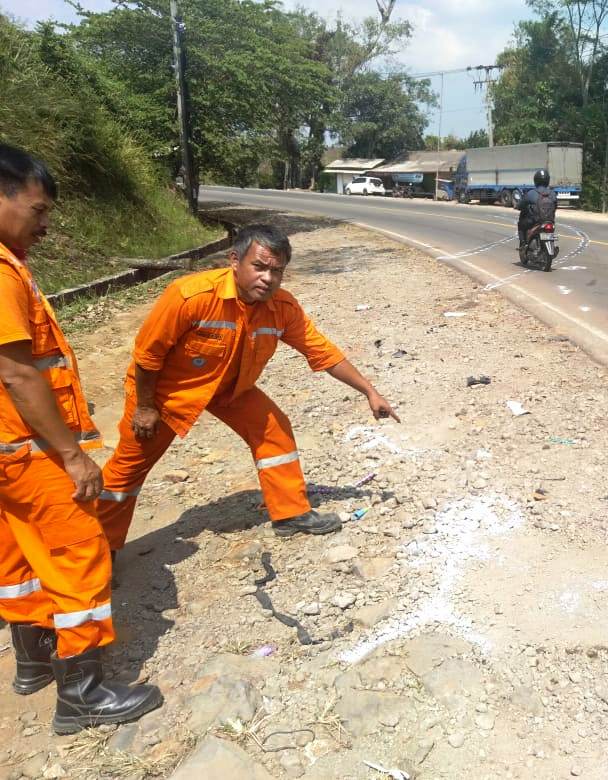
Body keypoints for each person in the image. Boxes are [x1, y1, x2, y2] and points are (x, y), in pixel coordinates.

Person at [98, 223, 399, 553]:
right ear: (234, 261)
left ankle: (290, 513)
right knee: (126, 472)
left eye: (277, 271)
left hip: (230, 387)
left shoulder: (282, 309)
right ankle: (98, 550)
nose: (267, 279)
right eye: (259, 267)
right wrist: (144, 407)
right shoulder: (191, 296)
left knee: (273, 429)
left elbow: (321, 351)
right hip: (165, 393)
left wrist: (369, 391)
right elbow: (147, 356)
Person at [0, 144, 161, 734]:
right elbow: (16, 371)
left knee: (18, 550)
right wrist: (70, 454)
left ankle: (32, 659)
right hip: (24, 447)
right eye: (38, 211)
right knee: (80, 550)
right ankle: (83, 693)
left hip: (5, 450)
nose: (45, 225)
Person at [517, 168, 558, 253]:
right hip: (550, 221)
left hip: (536, 221)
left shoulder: (531, 193)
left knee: (521, 224)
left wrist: (517, 206)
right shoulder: (553, 193)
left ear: (536, 180)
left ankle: (523, 244)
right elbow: (555, 206)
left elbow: (521, 205)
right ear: (547, 180)